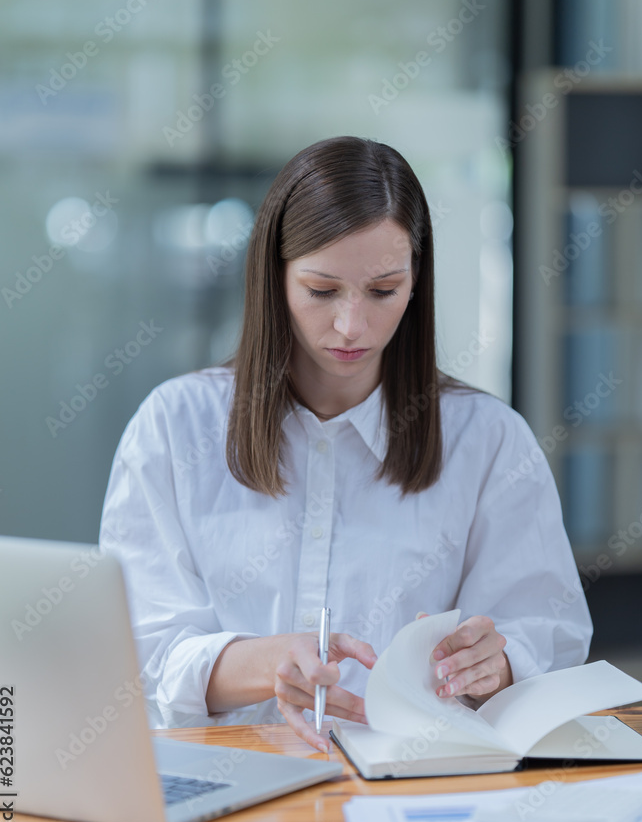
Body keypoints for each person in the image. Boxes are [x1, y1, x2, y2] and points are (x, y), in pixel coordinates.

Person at [99, 136, 592, 754]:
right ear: (273, 279)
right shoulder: (175, 428)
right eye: (322, 290)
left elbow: (550, 637)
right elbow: (134, 657)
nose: (351, 326)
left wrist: (501, 664)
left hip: (416, 793)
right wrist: (267, 663)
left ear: (417, 284)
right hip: (220, 788)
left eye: (383, 291)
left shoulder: (488, 441)